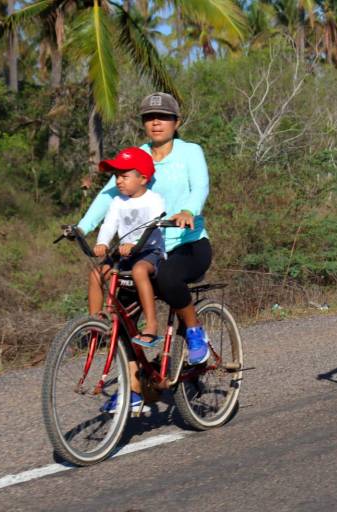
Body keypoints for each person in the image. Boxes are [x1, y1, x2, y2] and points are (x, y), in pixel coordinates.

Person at [78, 92, 213, 413]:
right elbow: (108, 194)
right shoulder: (136, 156)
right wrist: (82, 227)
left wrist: (187, 210)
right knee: (121, 310)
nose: (156, 122)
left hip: (187, 243)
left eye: (163, 117)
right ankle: (134, 386)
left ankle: (194, 334)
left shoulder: (189, 152)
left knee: (167, 278)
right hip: (143, 248)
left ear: (176, 123)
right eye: (149, 117)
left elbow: (201, 187)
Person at [92, 147, 166, 347]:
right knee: (97, 273)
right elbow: (109, 225)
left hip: (149, 251)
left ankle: (151, 324)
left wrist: (135, 244)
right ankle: (95, 322)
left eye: (124, 176)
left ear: (142, 179)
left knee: (139, 271)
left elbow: (155, 223)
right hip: (125, 252)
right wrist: (102, 243)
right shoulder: (118, 201)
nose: (118, 181)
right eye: (117, 176)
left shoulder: (154, 199)